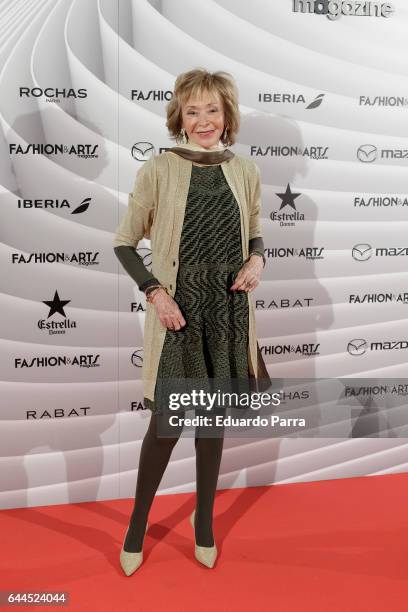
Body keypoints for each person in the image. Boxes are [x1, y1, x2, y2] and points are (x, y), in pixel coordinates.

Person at [113, 68, 270, 575]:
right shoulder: (159, 168)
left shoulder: (244, 168)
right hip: (180, 313)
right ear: (179, 116)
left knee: (213, 424)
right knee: (167, 426)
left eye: (213, 110)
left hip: (227, 311)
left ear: (228, 117)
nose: (204, 121)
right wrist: (155, 294)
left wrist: (256, 261)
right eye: (193, 110)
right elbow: (124, 242)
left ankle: (203, 524)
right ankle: (137, 526)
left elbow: (254, 230)